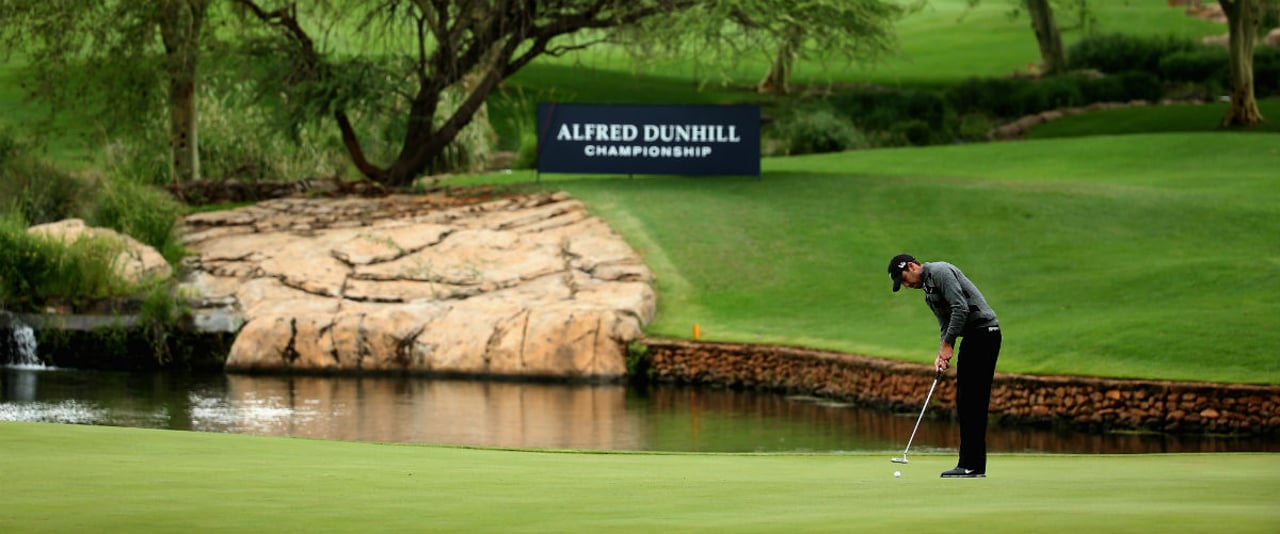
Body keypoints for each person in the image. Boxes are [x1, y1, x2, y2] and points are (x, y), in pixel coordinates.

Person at [887, 254, 1001, 478]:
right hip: (973, 337)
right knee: (966, 401)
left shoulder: (940, 272)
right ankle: (971, 465)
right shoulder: (928, 294)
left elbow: (960, 308)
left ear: (911, 266)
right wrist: (942, 352)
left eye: (905, 279)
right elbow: (945, 324)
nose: (907, 285)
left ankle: (971, 465)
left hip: (985, 334)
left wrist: (949, 344)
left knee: (973, 401)